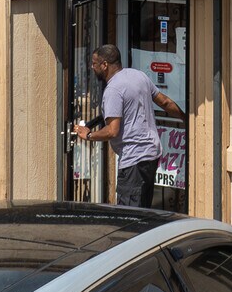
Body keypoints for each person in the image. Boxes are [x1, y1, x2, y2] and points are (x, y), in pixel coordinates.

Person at [76, 43, 185, 208]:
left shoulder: (113, 90)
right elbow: (164, 102)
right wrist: (186, 118)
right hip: (151, 155)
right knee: (144, 209)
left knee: (129, 214)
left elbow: (112, 131)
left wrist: (89, 135)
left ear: (104, 65)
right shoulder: (139, 76)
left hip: (133, 159)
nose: (92, 67)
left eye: (94, 63)